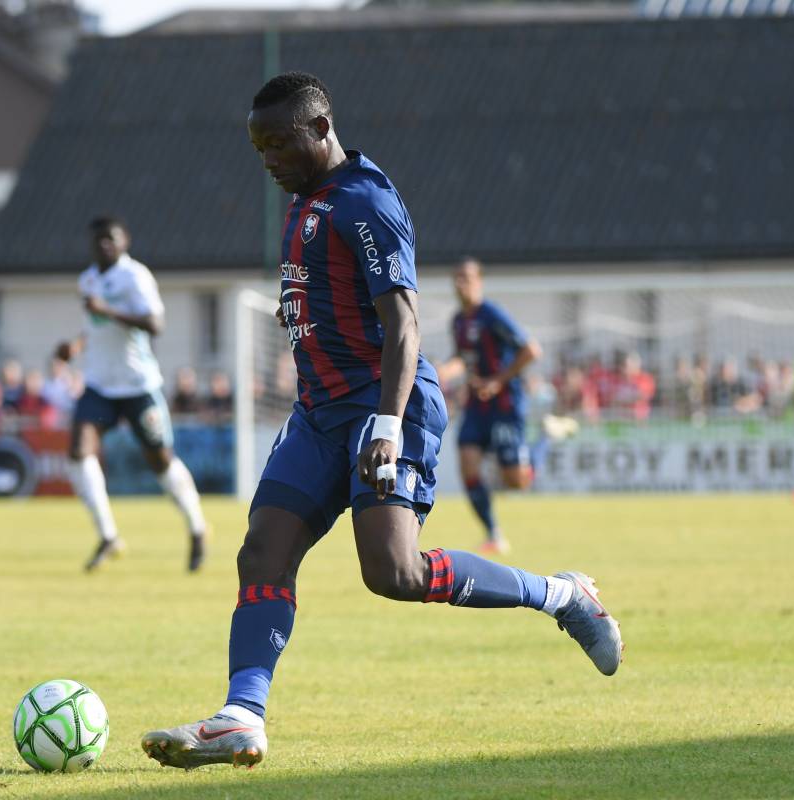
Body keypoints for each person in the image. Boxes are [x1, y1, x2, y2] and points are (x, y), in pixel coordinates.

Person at [141, 71, 623, 771]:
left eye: (279, 143)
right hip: (318, 415)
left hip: (384, 406)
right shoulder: (306, 199)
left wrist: (389, 425)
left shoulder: (364, 201)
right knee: (261, 552)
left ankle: (561, 594)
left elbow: (404, 325)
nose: (269, 159)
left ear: (320, 130)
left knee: (393, 572)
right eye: (259, 148)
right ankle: (241, 716)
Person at [65, 216, 209, 572]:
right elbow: (93, 328)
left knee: (160, 463)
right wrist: (75, 346)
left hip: (137, 385)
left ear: (124, 241)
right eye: (98, 239)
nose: (103, 245)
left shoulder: (135, 277)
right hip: (100, 384)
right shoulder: (88, 278)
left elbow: (155, 324)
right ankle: (109, 536)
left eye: (110, 239)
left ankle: (197, 528)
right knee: (78, 450)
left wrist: (109, 310)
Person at [436, 258, 542, 554]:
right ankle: (494, 533)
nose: (461, 283)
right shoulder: (458, 321)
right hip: (477, 407)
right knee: (467, 461)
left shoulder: (492, 314)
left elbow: (531, 350)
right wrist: (442, 372)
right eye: (457, 278)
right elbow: (462, 359)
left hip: (506, 404)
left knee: (516, 482)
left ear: (479, 281)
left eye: (467, 277)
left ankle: (547, 438)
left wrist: (498, 380)